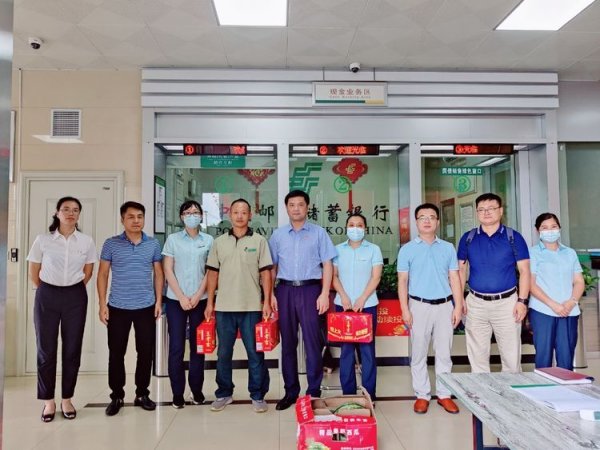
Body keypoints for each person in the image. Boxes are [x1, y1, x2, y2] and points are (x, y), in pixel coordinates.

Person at [27, 196, 97, 422]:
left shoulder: (86, 241)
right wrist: (48, 289)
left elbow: (88, 272)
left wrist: (71, 289)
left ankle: (67, 399)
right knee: (46, 350)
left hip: (75, 296)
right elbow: (34, 271)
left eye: (75, 210)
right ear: (57, 213)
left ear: (79, 215)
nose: (70, 213)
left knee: (72, 349)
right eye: (66, 209)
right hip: (46, 295)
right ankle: (48, 401)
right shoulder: (43, 240)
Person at [269, 190, 336, 411]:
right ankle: (290, 391)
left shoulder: (319, 233)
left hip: (311, 291)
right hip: (285, 291)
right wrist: (270, 294)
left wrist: (324, 293)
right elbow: (272, 267)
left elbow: (328, 265)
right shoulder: (278, 235)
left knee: (313, 343)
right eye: (292, 205)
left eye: (300, 204)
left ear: (307, 207)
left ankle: (313, 391)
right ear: (286, 208)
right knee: (288, 343)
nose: (296, 208)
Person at [204, 198, 273, 413]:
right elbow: (212, 273)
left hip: (251, 306)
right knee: (224, 353)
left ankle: (258, 395)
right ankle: (224, 393)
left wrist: (267, 301)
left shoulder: (259, 241)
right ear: (230, 215)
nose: (240, 216)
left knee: (255, 353)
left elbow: (266, 273)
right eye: (236, 212)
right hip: (224, 307)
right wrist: (210, 302)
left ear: (250, 215)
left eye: (244, 212)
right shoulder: (219, 242)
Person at [97, 201, 164, 416]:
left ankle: (142, 393)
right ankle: (116, 396)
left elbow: (159, 274)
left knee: (145, 352)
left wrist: (158, 302)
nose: (136, 221)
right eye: (131, 217)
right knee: (116, 353)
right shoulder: (111, 244)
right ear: (122, 219)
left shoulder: (153, 244)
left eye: (140, 216)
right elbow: (103, 274)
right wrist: (102, 304)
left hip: (146, 306)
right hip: (118, 307)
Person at [397, 203, 464, 414]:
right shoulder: (407, 249)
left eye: (431, 217)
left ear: (437, 221)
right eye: (422, 217)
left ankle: (444, 394)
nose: (427, 221)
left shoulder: (448, 247)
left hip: (444, 306)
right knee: (418, 352)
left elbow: (455, 278)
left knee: (444, 353)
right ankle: (422, 395)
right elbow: (402, 281)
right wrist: (405, 309)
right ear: (416, 222)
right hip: (418, 306)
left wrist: (458, 306)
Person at [457, 193, 530, 374]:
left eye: (491, 208)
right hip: (476, 303)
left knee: (511, 358)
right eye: (481, 209)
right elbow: (461, 271)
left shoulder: (513, 237)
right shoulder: (468, 238)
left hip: (507, 304)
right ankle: (481, 392)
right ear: (476, 213)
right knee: (477, 358)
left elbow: (525, 271)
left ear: (501, 211)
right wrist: (460, 301)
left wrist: (522, 301)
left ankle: (511, 392)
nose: (486, 212)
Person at [162, 200, 214, 409]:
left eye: (195, 212)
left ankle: (197, 390)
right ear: (182, 217)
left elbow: (210, 271)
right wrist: (182, 296)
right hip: (176, 300)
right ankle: (177, 393)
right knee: (176, 347)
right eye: (188, 212)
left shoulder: (209, 240)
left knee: (197, 347)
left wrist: (198, 294)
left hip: (200, 300)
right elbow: (168, 269)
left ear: (201, 216)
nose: (192, 215)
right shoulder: (173, 240)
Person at [332, 213, 382, 401]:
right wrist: (344, 296)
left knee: (367, 351)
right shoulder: (337, 250)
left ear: (365, 228)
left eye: (359, 225)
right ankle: (349, 394)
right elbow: (333, 276)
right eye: (351, 224)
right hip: (343, 306)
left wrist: (362, 298)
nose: (355, 228)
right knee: (346, 352)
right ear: (346, 228)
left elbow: (376, 277)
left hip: (367, 306)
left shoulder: (373, 249)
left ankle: (369, 395)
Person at [528, 213, 585, 370]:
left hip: (568, 311)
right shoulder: (533, 253)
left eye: (553, 226)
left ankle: (566, 386)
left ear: (559, 228)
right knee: (543, 357)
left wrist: (571, 302)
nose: (550, 231)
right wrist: (553, 305)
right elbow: (531, 284)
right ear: (538, 231)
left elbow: (579, 281)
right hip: (543, 310)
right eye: (545, 228)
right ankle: (543, 386)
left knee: (566, 357)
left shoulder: (570, 253)